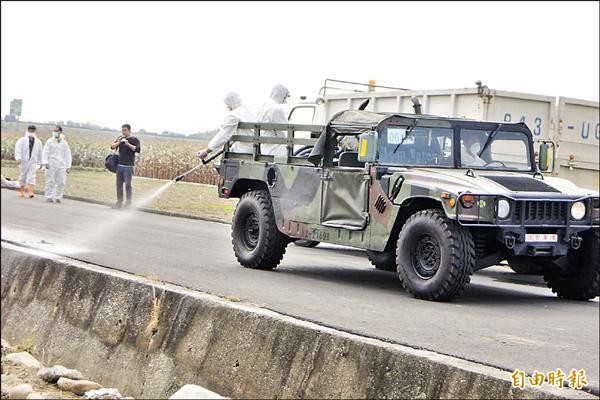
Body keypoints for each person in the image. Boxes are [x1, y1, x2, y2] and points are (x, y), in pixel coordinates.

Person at [197, 92, 256, 160]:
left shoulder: (233, 115)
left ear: (230, 102)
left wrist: (207, 150)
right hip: (257, 148)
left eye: (226, 104)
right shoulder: (246, 111)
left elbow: (224, 135)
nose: (226, 106)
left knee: (223, 156)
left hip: (245, 150)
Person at [109, 124, 141, 209]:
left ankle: (128, 204)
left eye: (125, 130)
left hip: (128, 166)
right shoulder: (120, 138)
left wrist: (128, 144)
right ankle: (119, 202)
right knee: (118, 185)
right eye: (122, 130)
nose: (123, 132)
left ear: (129, 130)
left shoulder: (134, 139)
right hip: (119, 166)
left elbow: (138, 149)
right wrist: (120, 142)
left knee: (128, 185)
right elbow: (112, 147)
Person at [256, 83, 290, 156]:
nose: (285, 100)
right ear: (282, 95)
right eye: (285, 97)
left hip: (264, 148)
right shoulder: (278, 109)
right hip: (277, 149)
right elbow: (283, 133)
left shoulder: (263, 106)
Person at [42, 126, 72, 203]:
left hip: (62, 165)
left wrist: (68, 166)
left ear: (60, 132)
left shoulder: (64, 143)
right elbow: (45, 152)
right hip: (51, 163)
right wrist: (45, 162)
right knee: (50, 181)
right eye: (54, 130)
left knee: (61, 182)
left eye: (57, 131)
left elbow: (68, 155)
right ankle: (49, 196)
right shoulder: (50, 141)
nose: (55, 132)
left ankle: (58, 197)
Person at [14, 125, 43, 198]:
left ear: (35, 131)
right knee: (23, 176)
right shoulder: (22, 140)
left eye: (33, 131)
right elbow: (18, 149)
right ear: (28, 130)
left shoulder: (38, 141)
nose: (31, 132)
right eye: (30, 130)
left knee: (32, 176)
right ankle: (22, 191)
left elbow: (40, 152)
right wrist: (18, 158)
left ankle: (31, 192)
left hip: (33, 161)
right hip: (24, 161)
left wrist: (41, 162)